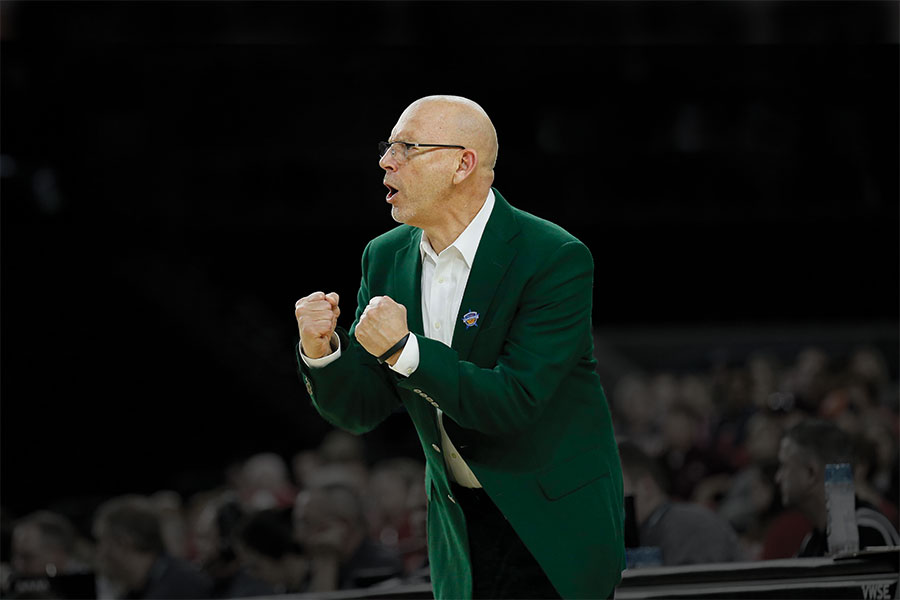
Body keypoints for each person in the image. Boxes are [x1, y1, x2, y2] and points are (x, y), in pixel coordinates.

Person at [293, 95, 625, 599]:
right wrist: (321, 351)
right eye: (388, 147)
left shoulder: (553, 256)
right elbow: (361, 409)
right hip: (459, 527)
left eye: (406, 147)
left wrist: (406, 350)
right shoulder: (384, 257)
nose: (386, 160)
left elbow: (512, 402)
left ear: (462, 164)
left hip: (552, 523)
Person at [774, 418, 899, 557]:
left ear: (811, 473)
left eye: (784, 466)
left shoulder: (870, 531)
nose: (778, 478)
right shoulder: (810, 544)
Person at [618, 441, 744, 566]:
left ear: (646, 487)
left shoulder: (689, 525)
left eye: (612, 487)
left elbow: (701, 584)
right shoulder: (646, 532)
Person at [92, 495, 212, 599]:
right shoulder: (138, 591)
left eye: (102, 541)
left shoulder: (184, 586)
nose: (99, 552)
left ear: (124, 543)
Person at [292, 483, 404, 592]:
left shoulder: (382, 568)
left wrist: (326, 563)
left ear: (342, 526)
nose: (298, 536)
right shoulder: (314, 565)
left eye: (306, 522)